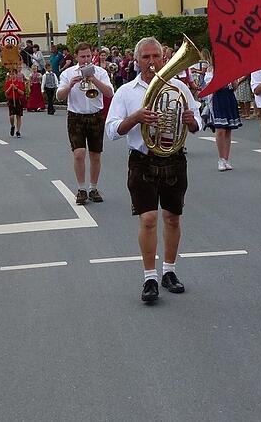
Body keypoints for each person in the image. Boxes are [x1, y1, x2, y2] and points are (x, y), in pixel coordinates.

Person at [105, 36, 199, 302]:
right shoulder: (126, 91)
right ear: (136, 61)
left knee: (172, 217)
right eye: (145, 57)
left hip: (173, 158)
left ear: (164, 58)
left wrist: (192, 121)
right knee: (148, 219)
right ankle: (149, 277)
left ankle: (169, 271)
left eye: (155, 56)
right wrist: (135, 118)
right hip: (142, 159)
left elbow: (196, 123)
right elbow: (112, 131)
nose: (151, 62)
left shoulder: (179, 88)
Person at [57, 42, 114, 204]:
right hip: (76, 117)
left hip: (95, 116)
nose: (86, 59)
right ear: (76, 57)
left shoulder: (100, 72)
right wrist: (70, 85)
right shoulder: (68, 73)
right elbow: (59, 96)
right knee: (79, 153)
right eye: (82, 57)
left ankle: (93, 187)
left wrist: (94, 79)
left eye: (88, 56)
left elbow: (109, 93)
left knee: (95, 155)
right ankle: (81, 188)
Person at [204, 61, 242, 171]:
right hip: (218, 99)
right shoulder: (211, 70)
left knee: (228, 130)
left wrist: (232, 78)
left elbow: (235, 86)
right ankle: (221, 159)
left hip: (229, 98)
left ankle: (226, 159)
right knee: (220, 130)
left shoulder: (229, 68)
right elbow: (212, 87)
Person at [4, 70, 26, 138]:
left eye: (13, 74)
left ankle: (18, 131)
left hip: (18, 100)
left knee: (18, 116)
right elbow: (6, 93)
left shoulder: (20, 82)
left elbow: (22, 92)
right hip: (11, 100)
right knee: (11, 116)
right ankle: (12, 126)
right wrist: (11, 87)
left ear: (16, 75)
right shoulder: (8, 83)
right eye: (11, 74)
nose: (12, 76)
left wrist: (16, 88)